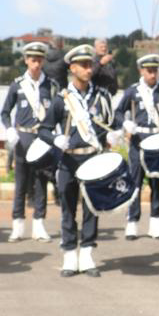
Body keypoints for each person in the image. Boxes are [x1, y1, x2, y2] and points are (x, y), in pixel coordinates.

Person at [39, 44, 115, 278]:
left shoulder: (101, 97)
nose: (89, 69)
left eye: (90, 64)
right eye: (83, 65)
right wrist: (55, 139)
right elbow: (43, 129)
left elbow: (111, 124)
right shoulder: (61, 99)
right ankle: (70, 255)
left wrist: (113, 134)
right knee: (68, 209)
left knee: (92, 208)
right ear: (72, 68)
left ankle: (87, 255)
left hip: (92, 157)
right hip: (69, 160)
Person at [113, 53, 159, 239]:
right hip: (138, 139)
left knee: (157, 182)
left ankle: (156, 220)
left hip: (157, 140)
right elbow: (118, 112)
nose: (153, 74)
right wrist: (125, 123)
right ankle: (132, 220)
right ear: (141, 71)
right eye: (149, 71)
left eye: (155, 70)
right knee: (135, 181)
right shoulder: (133, 91)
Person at [1, 41, 57, 244]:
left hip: (42, 138)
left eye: (40, 60)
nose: (37, 64)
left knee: (41, 182)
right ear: (26, 60)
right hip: (23, 138)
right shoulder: (17, 85)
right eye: (33, 60)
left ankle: (39, 225)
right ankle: (17, 226)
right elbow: (5, 112)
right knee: (21, 184)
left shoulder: (51, 86)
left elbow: (58, 113)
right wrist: (9, 129)